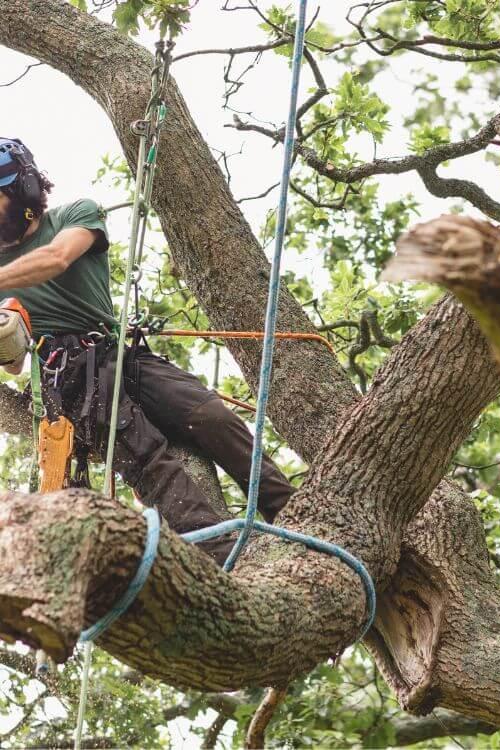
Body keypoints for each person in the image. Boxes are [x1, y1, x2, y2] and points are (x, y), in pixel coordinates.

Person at [0, 136, 293, 564]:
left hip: (119, 353)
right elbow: (14, 365)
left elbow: (59, 258)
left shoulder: (75, 214)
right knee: (148, 460)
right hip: (70, 379)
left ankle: (290, 511)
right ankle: (223, 557)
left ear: (20, 191)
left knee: (210, 417)